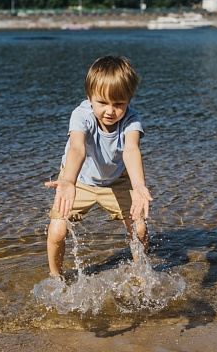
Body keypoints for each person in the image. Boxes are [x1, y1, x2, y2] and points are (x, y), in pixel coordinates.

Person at [44, 55, 153, 280]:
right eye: (102, 103)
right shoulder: (81, 115)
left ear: (129, 100)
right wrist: (69, 180)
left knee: (139, 228)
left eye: (119, 104)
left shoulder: (132, 120)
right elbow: (77, 148)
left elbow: (131, 150)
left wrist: (139, 186)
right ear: (89, 96)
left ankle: (143, 275)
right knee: (58, 229)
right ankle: (56, 277)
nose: (110, 111)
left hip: (116, 179)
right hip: (78, 180)